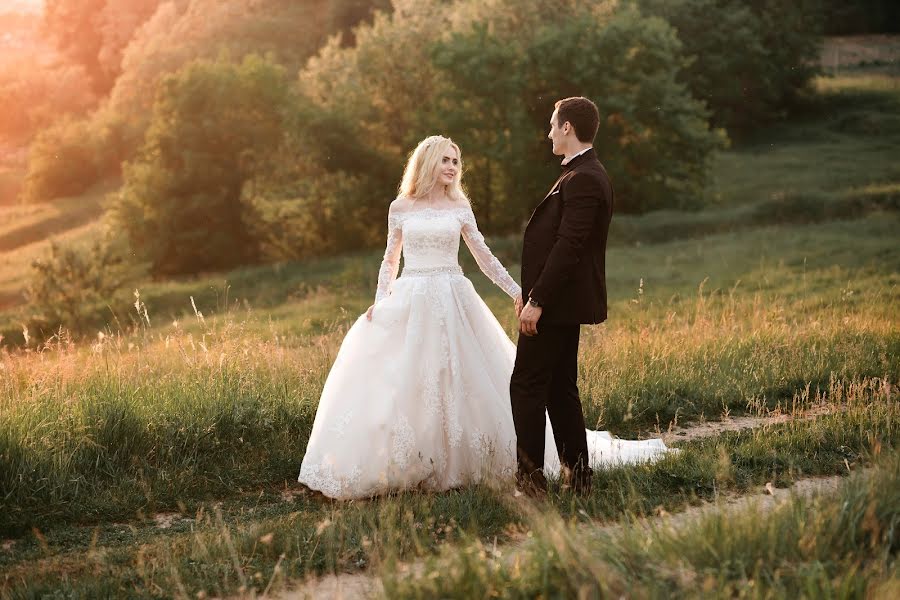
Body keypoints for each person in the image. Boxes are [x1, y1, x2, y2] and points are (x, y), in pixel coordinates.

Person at [298, 133, 671, 500]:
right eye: (445, 159)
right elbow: (390, 259)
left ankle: (470, 463)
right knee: (410, 380)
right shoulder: (400, 207)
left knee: (459, 376)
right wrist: (381, 301)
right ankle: (413, 461)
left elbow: (483, 255)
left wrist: (516, 290)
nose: (452, 167)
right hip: (410, 297)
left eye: (456, 161)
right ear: (427, 162)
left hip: (453, 297)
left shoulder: (459, 206)